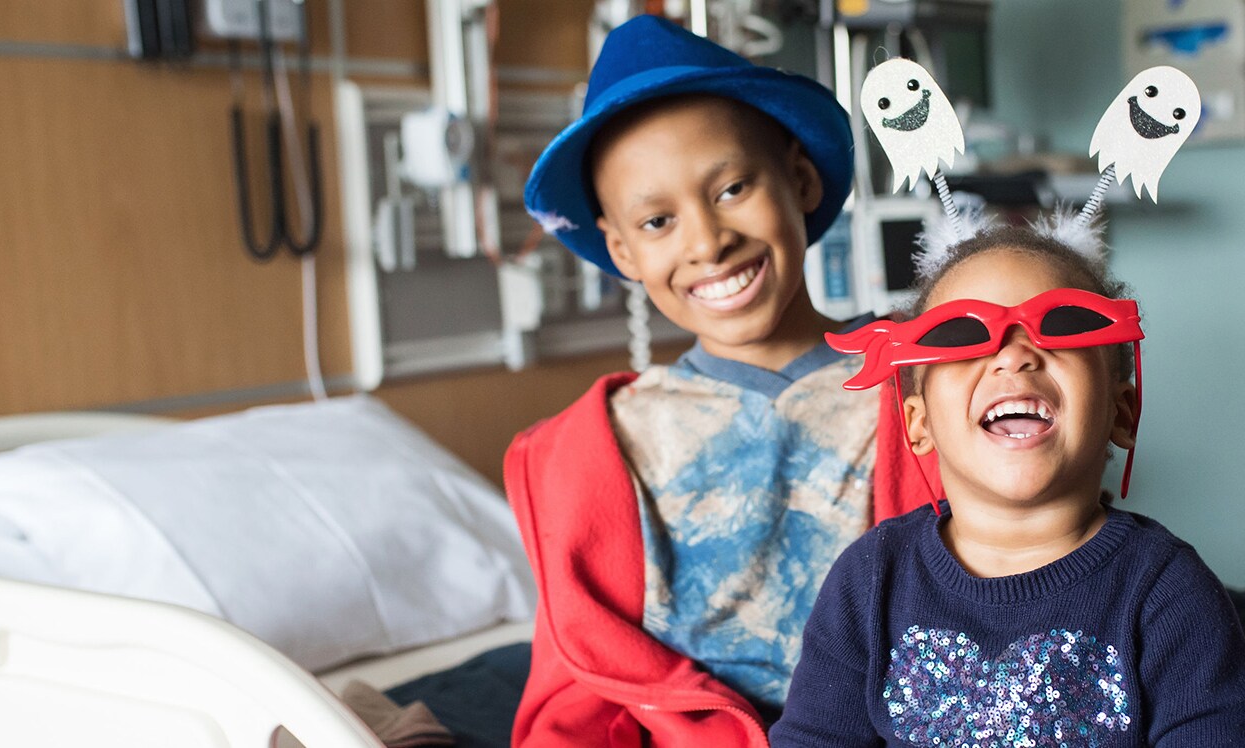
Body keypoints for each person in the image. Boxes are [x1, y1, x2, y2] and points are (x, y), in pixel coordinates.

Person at [506, 15, 933, 747]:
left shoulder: (924, 379)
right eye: (657, 222)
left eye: (733, 188)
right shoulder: (603, 446)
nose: (707, 242)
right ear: (621, 250)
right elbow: (578, 696)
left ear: (800, 179)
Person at [769, 225, 1245, 746]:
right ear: (918, 424)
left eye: (1063, 325)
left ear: (1122, 413)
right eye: (960, 336)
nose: (1013, 357)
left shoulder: (1170, 591)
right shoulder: (869, 580)